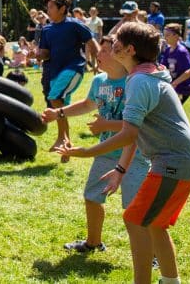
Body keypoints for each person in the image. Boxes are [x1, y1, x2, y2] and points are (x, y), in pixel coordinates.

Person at [59, 22, 190, 284]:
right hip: (179, 162)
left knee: (136, 219)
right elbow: (135, 134)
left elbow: (127, 134)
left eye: (117, 42)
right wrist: (121, 169)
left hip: (173, 162)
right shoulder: (145, 75)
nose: (111, 43)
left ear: (129, 49)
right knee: (153, 223)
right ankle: (170, 281)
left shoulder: (139, 81)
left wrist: (86, 151)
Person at [41, 35, 149, 254]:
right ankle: (93, 243)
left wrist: (107, 124)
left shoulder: (134, 82)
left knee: (135, 208)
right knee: (92, 197)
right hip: (106, 152)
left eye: (105, 51)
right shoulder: (99, 81)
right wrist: (58, 112)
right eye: (99, 51)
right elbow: (88, 104)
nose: (98, 54)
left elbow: (140, 125)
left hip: (136, 155)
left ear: (121, 55)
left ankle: (152, 253)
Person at [38, 0, 99, 155]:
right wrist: (36, 55)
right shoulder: (46, 29)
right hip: (54, 72)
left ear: (63, 8)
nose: (47, 10)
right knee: (60, 106)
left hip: (74, 68)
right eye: (47, 7)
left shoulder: (74, 25)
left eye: (51, 7)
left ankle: (61, 139)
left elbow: (91, 42)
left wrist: (100, 61)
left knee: (54, 98)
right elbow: (45, 53)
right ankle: (66, 143)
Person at [161, 24, 190, 103]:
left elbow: (188, 72)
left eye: (167, 35)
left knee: (172, 112)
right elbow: (163, 67)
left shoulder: (181, 52)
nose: (165, 38)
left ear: (176, 36)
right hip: (174, 85)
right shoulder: (168, 50)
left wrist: (174, 84)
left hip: (183, 87)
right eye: (164, 35)